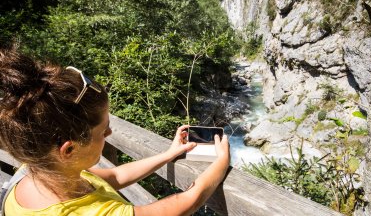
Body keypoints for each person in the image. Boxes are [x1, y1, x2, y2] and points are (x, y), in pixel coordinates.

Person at [0, 46, 230, 215]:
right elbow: (187, 202)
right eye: (103, 131)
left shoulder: (41, 171)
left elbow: (115, 176)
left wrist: (168, 154)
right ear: (68, 149)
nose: (109, 134)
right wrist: (221, 162)